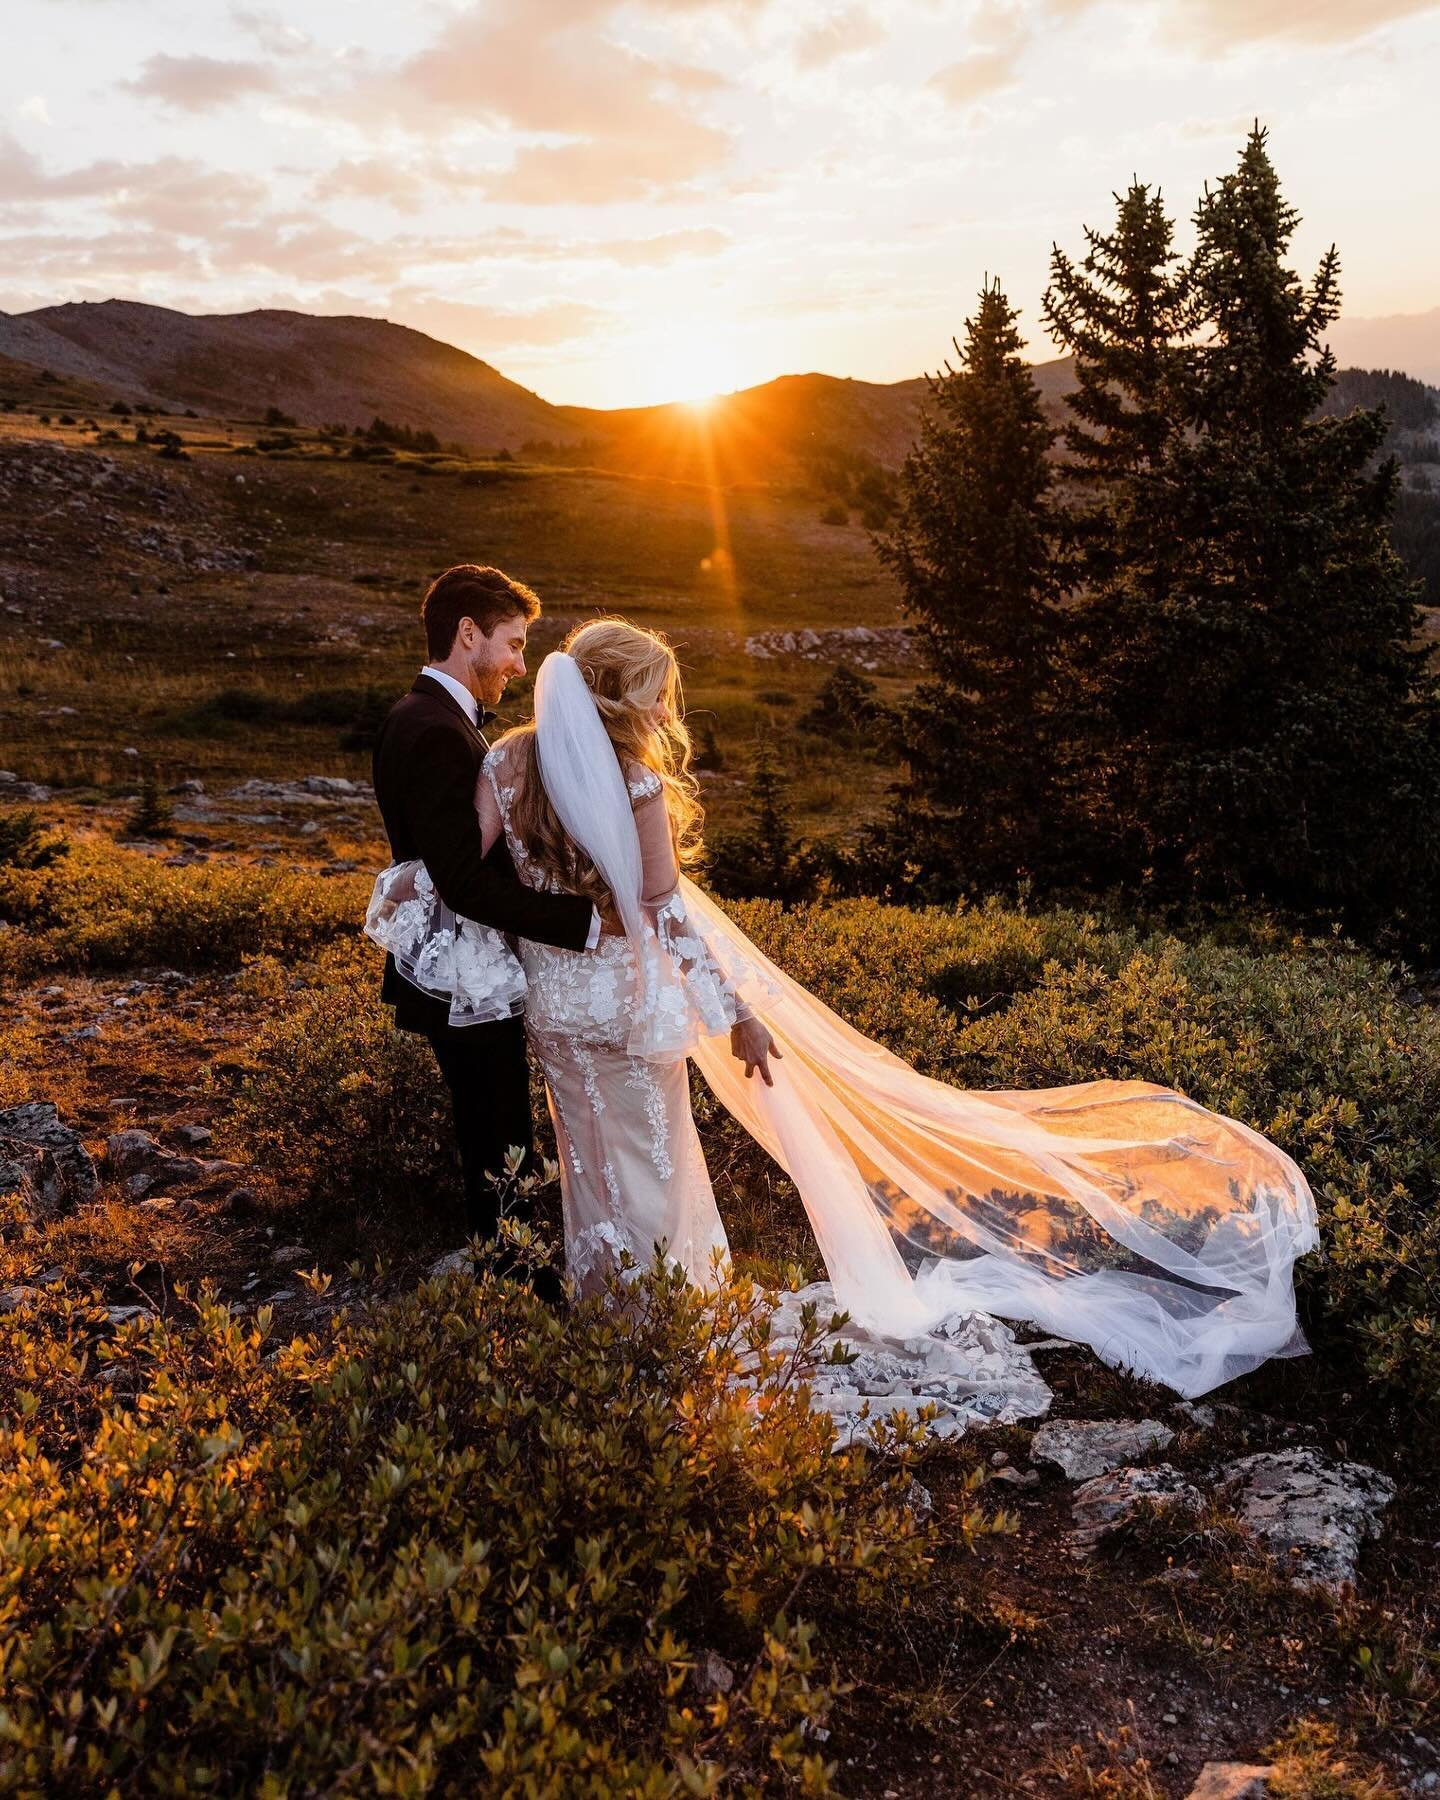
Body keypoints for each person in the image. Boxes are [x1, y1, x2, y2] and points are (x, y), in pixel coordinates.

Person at [369, 615, 1320, 1402]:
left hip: (551, 1003)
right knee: (654, 1154)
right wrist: (737, 1010)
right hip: (622, 1001)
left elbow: (456, 870)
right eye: (658, 690)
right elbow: (665, 918)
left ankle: (606, 1314)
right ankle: (668, 1318)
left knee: (586, 1153)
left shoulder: (507, 761)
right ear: (624, 698)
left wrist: (416, 904)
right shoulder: (634, 781)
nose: (666, 707)